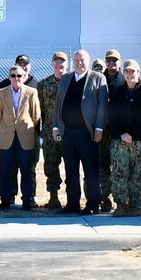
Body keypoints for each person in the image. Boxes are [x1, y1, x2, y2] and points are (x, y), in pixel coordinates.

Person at [50, 49, 110, 215]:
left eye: (82, 60)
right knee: (70, 170)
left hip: (87, 133)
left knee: (90, 170)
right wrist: (55, 127)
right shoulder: (65, 79)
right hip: (67, 132)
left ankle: (92, 205)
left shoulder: (98, 78)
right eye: (76, 60)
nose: (79, 63)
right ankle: (72, 204)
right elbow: (58, 104)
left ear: (88, 61)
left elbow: (102, 106)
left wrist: (99, 128)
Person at [107, 60, 141, 217]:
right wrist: (121, 133)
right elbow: (111, 115)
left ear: (138, 73)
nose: (129, 74)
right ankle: (120, 204)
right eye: (127, 72)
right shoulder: (117, 92)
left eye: (132, 72)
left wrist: (131, 134)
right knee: (119, 172)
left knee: (137, 173)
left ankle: (134, 205)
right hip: (119, 140)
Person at [0, 64, 41, 210]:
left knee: (26, 169)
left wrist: (25, 127)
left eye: (19, 76)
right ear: (9, 78)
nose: (16, 79)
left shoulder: (31, 92)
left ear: (24, 76)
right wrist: (7, 127)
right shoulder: (1, 93)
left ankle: (27, 199)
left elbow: (36, 115)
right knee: (5, 170)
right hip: (7, 136)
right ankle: (5, 200)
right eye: (13, 76)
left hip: (24, 136)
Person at [36, 52, 68, 210]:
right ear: (52, 64)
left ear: (67, 65)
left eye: (62, 62)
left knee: (71, 165)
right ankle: (53, 197)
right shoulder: (43, 84)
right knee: (50, 164)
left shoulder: (72, 81)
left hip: (69, 131)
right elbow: (38, 109)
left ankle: (72, 197)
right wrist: (40, 127)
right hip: (49, 132)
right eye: (56, 62)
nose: (59, 65)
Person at [98, 49, 122, 212]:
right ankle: (105, 198)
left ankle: (121, 199)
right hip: (103, 130)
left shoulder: (125, 78)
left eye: (115, 60)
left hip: (120, 130)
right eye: (109, 60)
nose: (112, 63)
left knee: (120, 165)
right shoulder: (99, 79)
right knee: (103, 164)